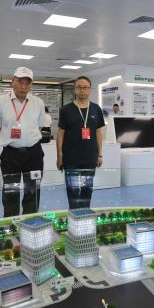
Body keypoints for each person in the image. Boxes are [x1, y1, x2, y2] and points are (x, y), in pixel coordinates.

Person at [0, 67, 46, 217]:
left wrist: (26, 137)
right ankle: (11, 223)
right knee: (11, 191)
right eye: (20, 81)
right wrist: (14, 139)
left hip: (34, 154)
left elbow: (39, 126)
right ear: (12, 81)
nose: (23, 86)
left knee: (33, 190)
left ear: (31, 84)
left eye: (27, 82)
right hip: (11, 154)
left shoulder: (38, 102)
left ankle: (30, 220)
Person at [56, 76, 105, 209]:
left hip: (90, 158)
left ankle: (85, 215)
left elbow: (98, 132)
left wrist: (100, 154)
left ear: (90, 90)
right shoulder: (66, 110)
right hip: (71, 159)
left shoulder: (96, 109)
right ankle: (74, 215)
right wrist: (59, 156)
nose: (82, 90)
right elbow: (60, 133)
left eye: (85, 87)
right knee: (72, 191)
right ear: (75, 89)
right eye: (79, 87)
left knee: (87, 190)